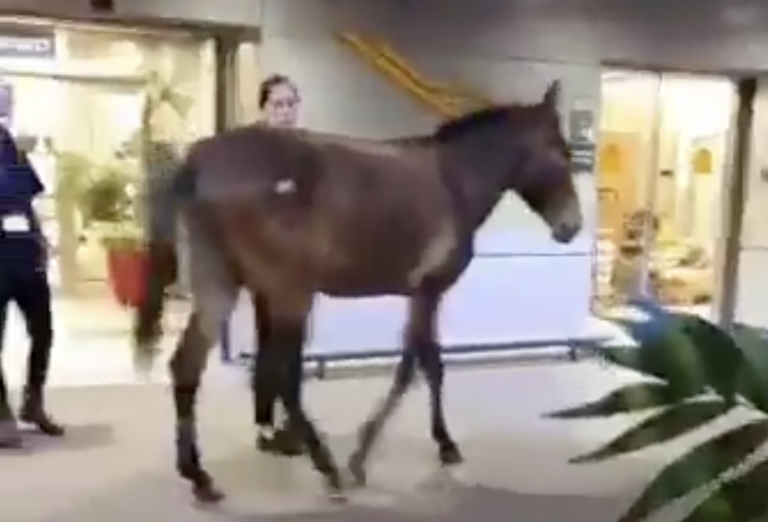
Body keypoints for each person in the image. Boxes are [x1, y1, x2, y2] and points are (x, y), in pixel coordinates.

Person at [0, 129, 64, 447]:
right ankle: (1, 417)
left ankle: (33, 401)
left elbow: (27, 207)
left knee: (44, 332)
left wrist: (40, 241)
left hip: (27, 262)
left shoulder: (16, 160)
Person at [252, 74, 304, 456]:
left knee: (295, 345)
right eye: (278, 105)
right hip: (266, 264)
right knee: (271, 344)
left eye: (290, 104)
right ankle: (265, 423)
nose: (285, 112)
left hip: (299, 263)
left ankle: (292, 419)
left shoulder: (302, 151)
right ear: (264, 109)